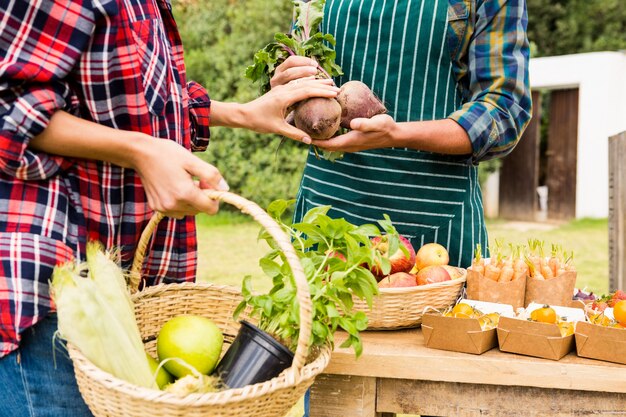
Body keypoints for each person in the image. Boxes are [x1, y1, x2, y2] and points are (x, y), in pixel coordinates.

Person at [0, 1, 339, 416]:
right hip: (57, 288)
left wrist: (242, 113)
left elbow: (143, 101)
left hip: (126, 283)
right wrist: (140, 151)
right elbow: (9, 107)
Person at [270, 0, 532, 415]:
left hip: (438, 230)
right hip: (330, 222)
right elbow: (297, 88)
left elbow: (505, 111)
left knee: (446, 397)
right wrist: (284, 86)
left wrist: (398, 133)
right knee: (329, 397)